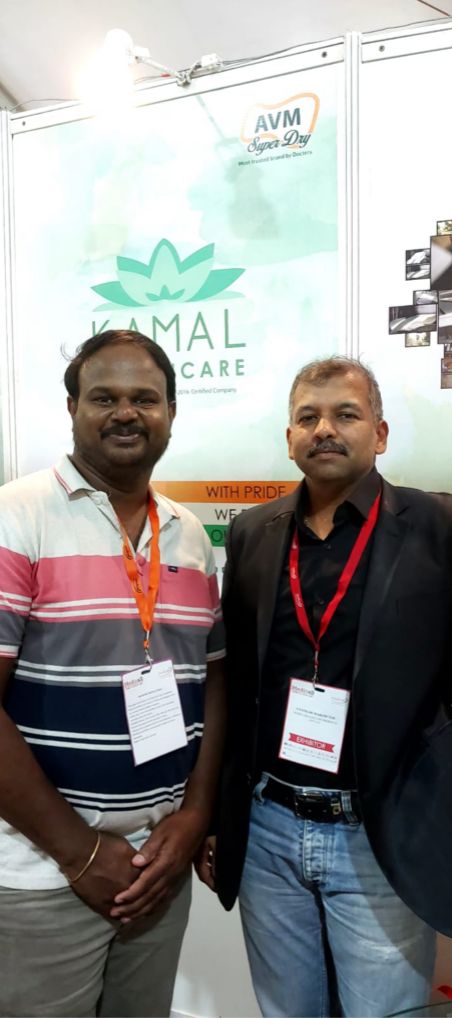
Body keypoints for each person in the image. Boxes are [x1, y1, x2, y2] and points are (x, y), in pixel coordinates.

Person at [197, 355, 452, 1018]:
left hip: (381, 833)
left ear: (381, 433)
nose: (325, 430)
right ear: (290, 439)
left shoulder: (436, 528)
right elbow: (238, 689)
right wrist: (221, 819)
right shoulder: (253, 533)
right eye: (308, 417)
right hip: (269, 827)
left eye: (346, 414)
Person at [0, 329, 225, 1018]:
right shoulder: (16, 517)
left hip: (157, 867)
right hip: (41, 873)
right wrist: (79, 853)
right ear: (72, 407)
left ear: (171, 412)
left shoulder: (190, 534)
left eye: (145, 398)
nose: (126, 412)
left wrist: (194, 817)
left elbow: (212, 686)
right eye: (104, 397)